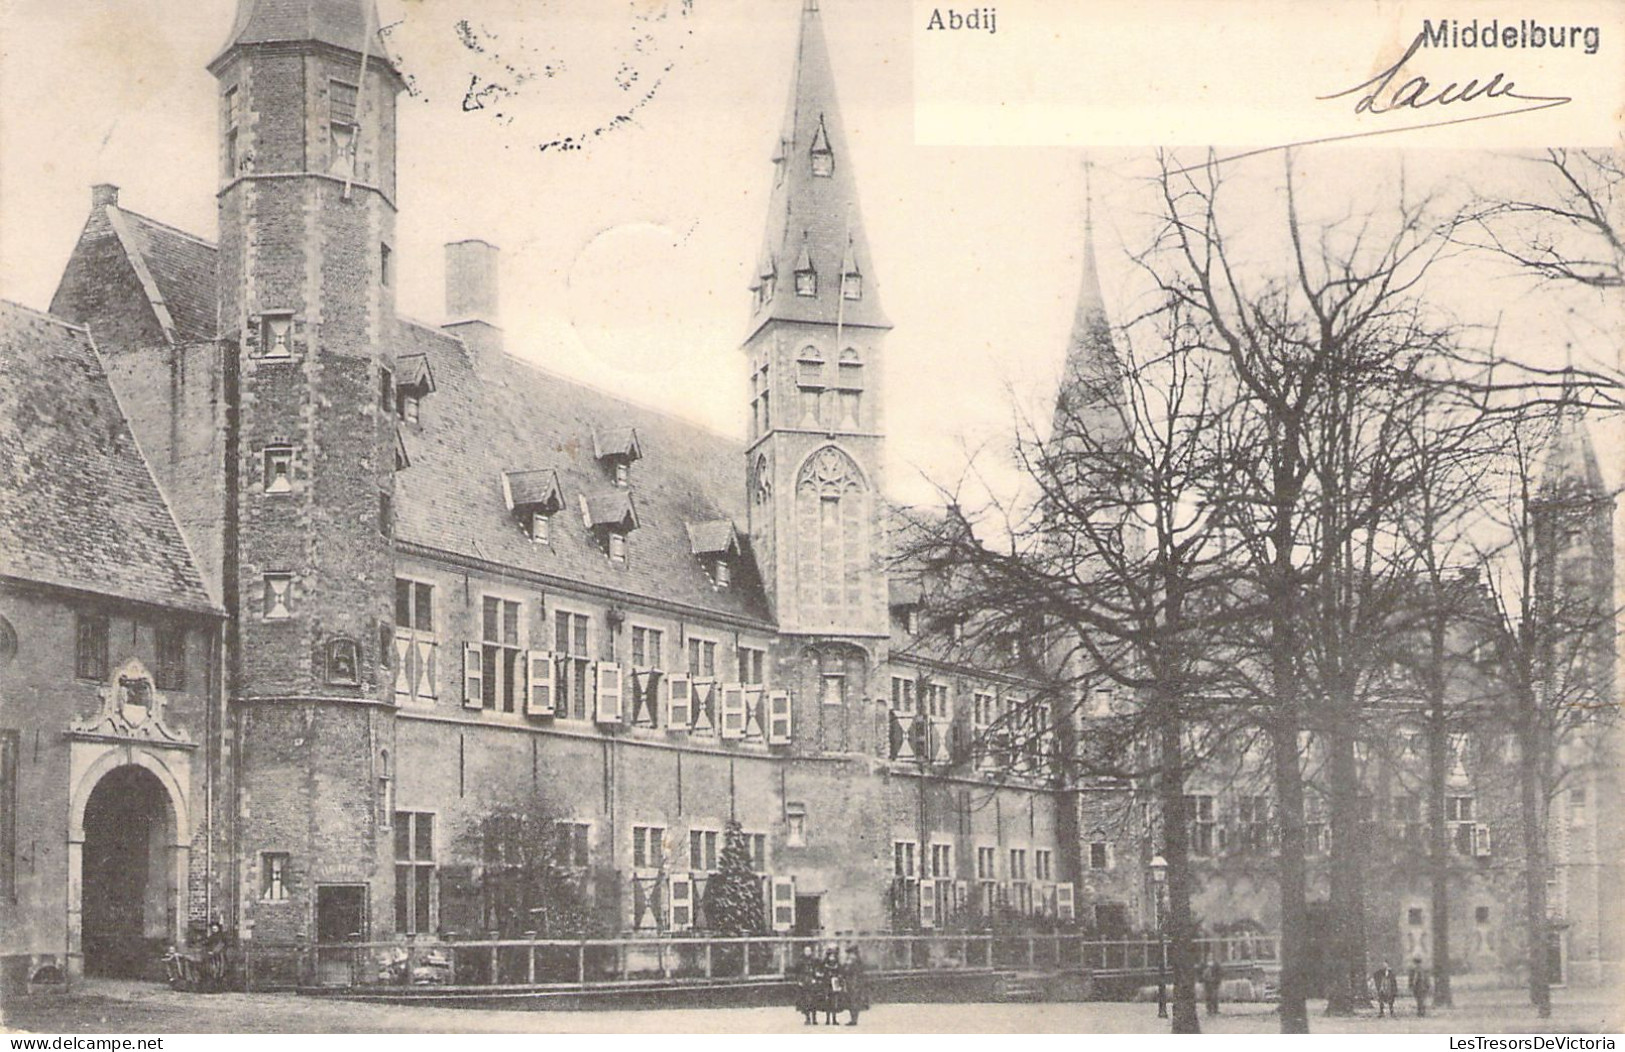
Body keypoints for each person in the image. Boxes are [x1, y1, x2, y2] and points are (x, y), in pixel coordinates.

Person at [841, 946, 870, 1026]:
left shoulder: (854, 962)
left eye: (850, 954)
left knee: (854, 1002)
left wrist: (846, 965)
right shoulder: (856, 961)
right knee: (852, 1002)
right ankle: (853, 1019)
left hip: (854, 985)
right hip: (852, 984)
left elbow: (848, 971)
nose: (849, 956)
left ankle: (854, 1020)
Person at [793, 945, 819, 1025]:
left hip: (812, 981)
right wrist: (799, 981)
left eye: (809, 951)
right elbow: (797, 972)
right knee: (805, 1000)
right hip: (804, 981)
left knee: (814, 1000)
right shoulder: (800, 961)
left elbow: (817, 970)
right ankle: (807, 1018)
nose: (808, 952)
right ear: (804, 952)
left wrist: (815, 978)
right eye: (806, 951)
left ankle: (814, 1019)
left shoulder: (814, 960)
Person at [818, 947, 842, 1025]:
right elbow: (820, 972)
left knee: (834, 1001)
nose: (832, 957)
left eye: (833, 956)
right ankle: (827, 1019)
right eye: (830, 956)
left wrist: (838, 978)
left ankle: (834, 1019)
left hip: (835, 984)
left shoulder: (838, 964)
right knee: (827, 1001)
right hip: (826, 983)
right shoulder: (824, 964)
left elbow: (841, 973)